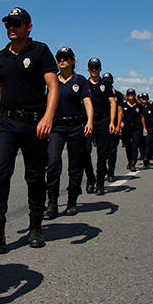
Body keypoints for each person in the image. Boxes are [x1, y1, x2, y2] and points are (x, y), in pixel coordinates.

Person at [0, 7, 58, 253]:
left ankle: (35, 227)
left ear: (28, 27)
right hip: (6, 123)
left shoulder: (40, 51)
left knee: (34, 175)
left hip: (34, 122)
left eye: (16, 24)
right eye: (8, 24)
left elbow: (52, 86)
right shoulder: (1, 56)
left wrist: (47, 118)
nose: (11, 27)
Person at [44, 47, 92, 219]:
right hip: (56, 127)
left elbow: (87, 102)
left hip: (75, 127)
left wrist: (90, 121)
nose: (61, 60)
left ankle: (72, 201)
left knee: (75, 165)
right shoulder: (51, 81)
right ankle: (52, 204)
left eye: (65, 57)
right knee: (53, 163)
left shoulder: (80, 80)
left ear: (73, 61)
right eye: (59, 58)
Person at [86, 57, 116, 194]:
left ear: (100, 69)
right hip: (87, 122)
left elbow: (112, 103)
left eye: (96, 67)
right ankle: (90, 178)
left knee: (102, 154)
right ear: (88, 69)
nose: (94, 70)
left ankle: (100, 183)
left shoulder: (106, 84)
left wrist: (111, 122)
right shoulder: (84, 84)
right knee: (84, 153)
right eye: (92, 68)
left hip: (103, 121)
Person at [102, 72, 124, 182]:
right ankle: (103, 170)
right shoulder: (99, 92)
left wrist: (118, 126)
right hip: (102, 124)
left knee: (112, 151)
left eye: (108, 81)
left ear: (112, 82)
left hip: (114, 125)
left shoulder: (118, 95)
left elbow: (120, 111)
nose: (106, 83)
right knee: (102, 151)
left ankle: (111, 172)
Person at [120, 89, 146, 171]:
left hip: (136, 128)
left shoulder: (139, 106)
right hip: (126, 128)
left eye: (132, 94)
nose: (130, 96)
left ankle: (133, 163)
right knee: (128, 146)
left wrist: (144, 128)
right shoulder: (123, 105)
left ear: (134, 95)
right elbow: (120, 115)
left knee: (135, 145)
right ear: (127, 96)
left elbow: (142, 117)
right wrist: (120, 122)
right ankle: (129, 160)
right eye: (129, 94)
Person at [138, 92, 153, 168]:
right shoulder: (138, 107)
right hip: (139, 128)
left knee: (148, 143)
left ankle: (146, 158)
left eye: (145, 98)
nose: (144, 99)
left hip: (149, 128)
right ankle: (143, 155)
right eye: (143, 98)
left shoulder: (151, 107)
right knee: (141, 144)